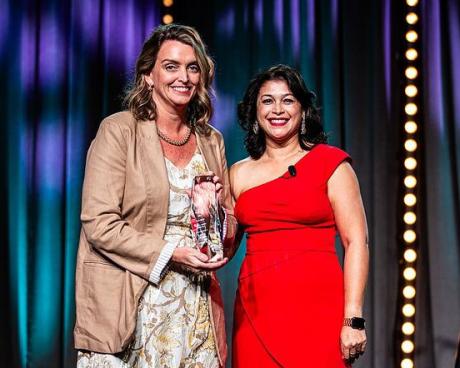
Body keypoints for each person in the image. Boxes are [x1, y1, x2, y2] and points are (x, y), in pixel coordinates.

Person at [74, 24, 236, 368]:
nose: (184, 77)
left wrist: (219, 218)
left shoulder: (212, 140)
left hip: (196, 308)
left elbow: (230, 226)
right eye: (171, 66)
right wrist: (172, 253)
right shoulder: (119, 131)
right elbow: (98, 222)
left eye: (193, 67)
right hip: (132, 303)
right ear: (148, 75)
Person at [230, 64, 369, 367]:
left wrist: (353, 318)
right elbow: (224, 248)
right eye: (267, 100)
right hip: (256, 311)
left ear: (303, 109)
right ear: (254, 111)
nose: (277, 109)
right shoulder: (238, 173)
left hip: (320, 311)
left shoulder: (331, 163)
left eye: (288, 100)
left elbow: (357, 241)